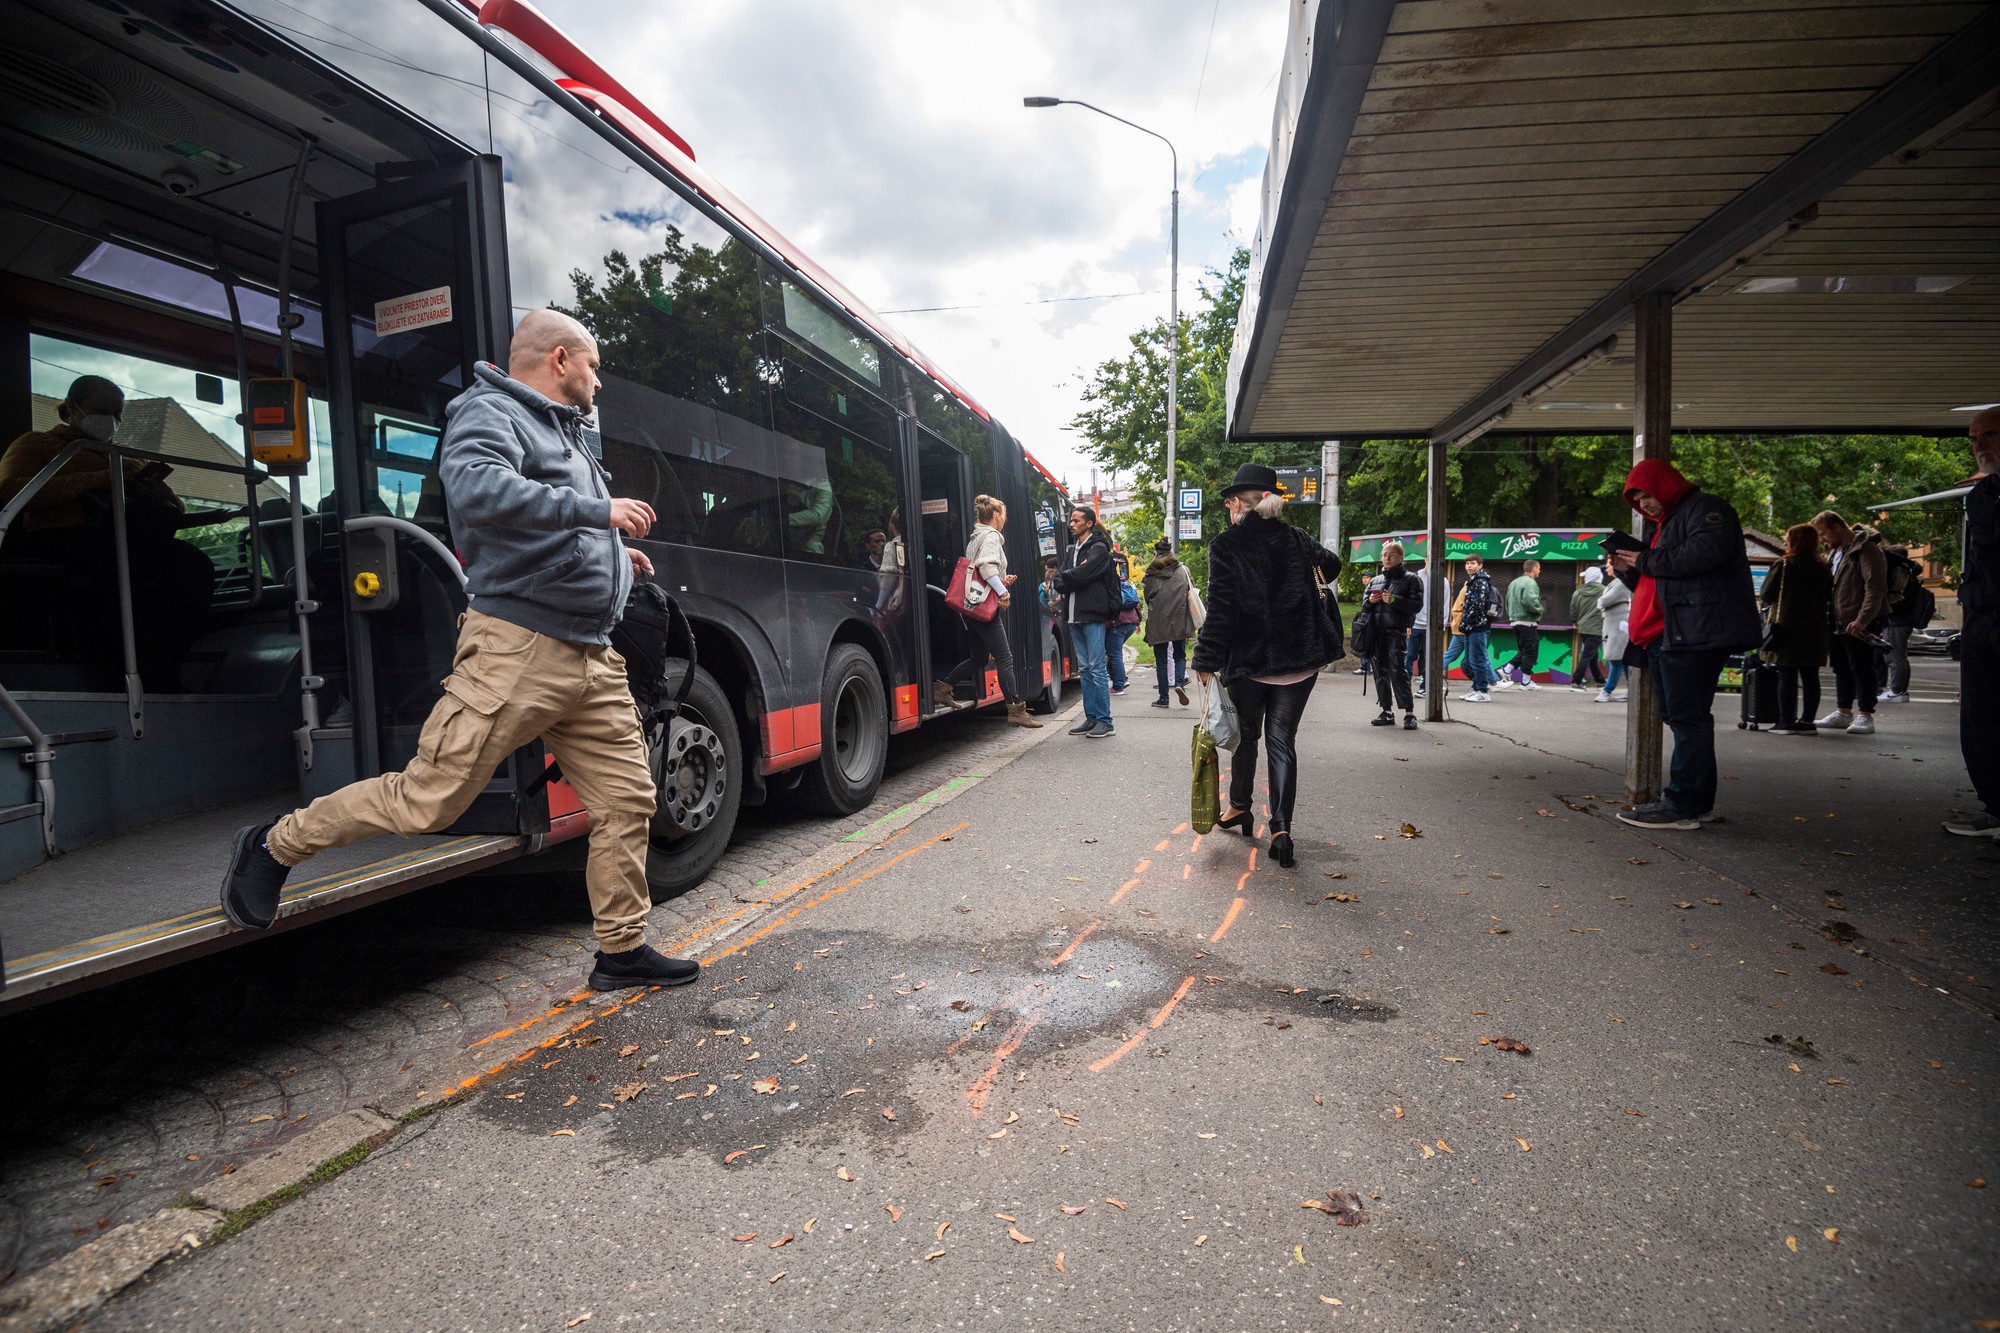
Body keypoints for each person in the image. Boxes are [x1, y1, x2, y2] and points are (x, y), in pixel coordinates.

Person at [218, 310, 699, 991]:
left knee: (628, 800)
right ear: (560, 360)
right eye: (592, 366)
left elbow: (544, 521)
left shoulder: (564, 432)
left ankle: (621, 950)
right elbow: (479, 492)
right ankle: (274, 844)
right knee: (428, 801)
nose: (598, 381)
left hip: (591, 656)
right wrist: (598, 514)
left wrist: (614, 554)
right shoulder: (488, 410)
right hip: (518, 650)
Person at [0, 374, 217, 688]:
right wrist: (98, 478)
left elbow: (177, 508)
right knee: (114, 570)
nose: (111, 421)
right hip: (63, 534)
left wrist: (156, 488)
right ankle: (120, 673)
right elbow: (12, 491)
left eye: (117, 415)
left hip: (132, 537)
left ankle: (168, 665)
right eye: (102, 410)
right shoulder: (36, 444)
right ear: (69, 411)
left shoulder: (126, 457)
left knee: (193, 566)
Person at [1192, 463, 1343, 869]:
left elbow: (1222, 611)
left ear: (1242, 503)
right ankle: (1281, 829)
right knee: (1282, 742)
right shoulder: (1296, 538)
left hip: (1250, 661)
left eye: (1229, 501)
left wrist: (1204, 659)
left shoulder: (1227, 545)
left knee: (1245, 737)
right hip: (1299, 661)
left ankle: (1240, 806)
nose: (1227, 507)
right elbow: (1332, 565)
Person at [1609, 458, 1760, 830]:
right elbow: (1659, 581)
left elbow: (1700, 556)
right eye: (1638, 499)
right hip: (1672, 634)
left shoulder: (1707, 510)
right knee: (1684, 719)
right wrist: (1632, 571)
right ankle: (1693, 801)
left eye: (1648, 494)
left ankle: (1682, 804)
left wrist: (1644, 559)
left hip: (1692, 634)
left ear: (1667, 484)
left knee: (1688, 719)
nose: (1644, 504)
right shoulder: (1666, 524)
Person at [1945, 405, 1999, 838]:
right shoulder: (1982, 496)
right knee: (1980, 716)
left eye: (1989, 435)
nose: (1979, 445)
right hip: (1983, 620)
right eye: (1974, 437)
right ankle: (1995, 807)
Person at [942, 494, 1041, 728]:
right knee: (1005, 658)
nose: (1003, 520)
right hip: (984, 609)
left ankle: (943, 688)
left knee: (978, 657)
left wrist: (1001, 581)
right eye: (1003, 516)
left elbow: (977, 572)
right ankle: (1016, 709)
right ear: (997, 515)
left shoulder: (976, 536)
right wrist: (1003, 593)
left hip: (971, 605)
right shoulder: (992, 536)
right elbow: (986, 567)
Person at [1809, 510, 1887, 736]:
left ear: (1837, 527)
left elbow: (1875, 587)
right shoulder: (1835, 553)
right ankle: (1843, 712)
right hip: (1836, 618)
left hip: (1856, 619)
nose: (1822, 539)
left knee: (1861, 667)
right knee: (1841, 666)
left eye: (1823, 534)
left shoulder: (1866, 550)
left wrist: (1863, 619)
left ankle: (1865, 715)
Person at [1759, 522, 1832, 735]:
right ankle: (1807, 722)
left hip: (1787, 627)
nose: (1785, 542)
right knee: (1810, 676)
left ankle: (1786, 721)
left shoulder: (1785, 565)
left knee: (1786, 674)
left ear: (1795, 541)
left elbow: (1766, 593)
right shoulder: (1823, 566)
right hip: (1816, 628)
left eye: (1788, 538)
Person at [1053, 506, 1119, 738]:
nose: (1071, 524)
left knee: (1097, 668)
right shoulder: (1072, 550)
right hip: (1073, 616)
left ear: (1089, 524)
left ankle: (1105, 720)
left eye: (1076, 520)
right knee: (1084, 670)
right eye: (1071, 520)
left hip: (1092, 615)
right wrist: (1074, 574)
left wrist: (1072, 575)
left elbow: (1083, 574)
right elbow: (1058, 582)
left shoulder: (1099, 548)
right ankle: (1091, 718)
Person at [1360, 541, 1423, 729]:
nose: (1387, 558)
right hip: (1376, 633)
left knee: (1398, 671)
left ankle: (1409, 713)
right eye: (1384, 555)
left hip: (1396, 631)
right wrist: (1370, 600)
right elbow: (1364, 605)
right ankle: (1386, 711)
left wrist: (1394, 600)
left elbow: (1416, 606)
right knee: (1380, 672)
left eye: (1391, 555)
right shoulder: (1375, 580)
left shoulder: (1411, 579)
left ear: (1401, 558)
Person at [1141, 537, 1195, 708]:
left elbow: (1147, 596)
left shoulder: (1150, 574)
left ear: (1156, 553)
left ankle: (1164, 698)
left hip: (1158, 620)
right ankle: (1179, 683)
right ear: (1171, 552)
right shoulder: (1183, 570)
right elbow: (1191, 590)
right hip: (1180, 617)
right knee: (1179, 655)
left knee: (1162, 660)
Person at [1873, 544, 1920, 703]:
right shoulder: (1909, 571)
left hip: (1896, 619)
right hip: (1902, 619)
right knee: (1900, 656)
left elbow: (1894, 595)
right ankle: (1899, 690)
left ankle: (1897, 691)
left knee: (1894, 657)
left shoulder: (1899, 570)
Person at [1453, 554, 1500, 702]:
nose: (1469, 566)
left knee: (1477, 660)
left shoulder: (1481, 582)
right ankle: (1476, 688)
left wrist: (1466, 623)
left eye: (1472, 563)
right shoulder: (1474, 581)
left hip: (1478, 628)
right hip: (1471, 628)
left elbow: (1477, 607)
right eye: (1467, 563)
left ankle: (1483, 691)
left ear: (1480, 565)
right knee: (1469, 661)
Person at [1594, 561, 1632, 703]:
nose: (1607, 568)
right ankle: (1631, 690)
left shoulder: (1621, 582)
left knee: (1615, 658)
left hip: (1618, 625)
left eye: (1609, 565)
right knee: (1621, 660)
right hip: (1614, 624)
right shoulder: (1617, 582)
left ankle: (1607, 690)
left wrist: (1600, 602)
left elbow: (1605, 601)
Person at [1504, 559, 1544, 689]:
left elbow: (1507, 600)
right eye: (1538, 568)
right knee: (1531, 651)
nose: (1539, 571)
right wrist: (1540, 609)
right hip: (1528, 621)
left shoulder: (1514, 582)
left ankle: (1507, 670)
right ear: (1534, 568)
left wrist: (1511, 615)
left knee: (1525, 650)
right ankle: (1525, 681)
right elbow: (1529, 601)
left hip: (1515, 620)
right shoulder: (1530, 583)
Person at [1107, 545, 1140, 695]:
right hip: (1131, 622)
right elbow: (1136, 603)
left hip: (1117, 623)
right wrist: (1138, 621)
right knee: (1115, 652)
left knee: (1114, 653)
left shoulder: (1109, 583)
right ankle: (1122, 679)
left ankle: (1119, 685)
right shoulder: (1123, 581)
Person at [1569, 566, 1607, 691]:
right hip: (1597, 628)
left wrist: (1578, 623)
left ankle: (1600, 679)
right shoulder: (1605, 591)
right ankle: (1576, 681)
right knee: (1587, 655)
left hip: (1583, 628)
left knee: (1592, 655)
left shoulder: (1578, 592)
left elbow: (1573, 611)